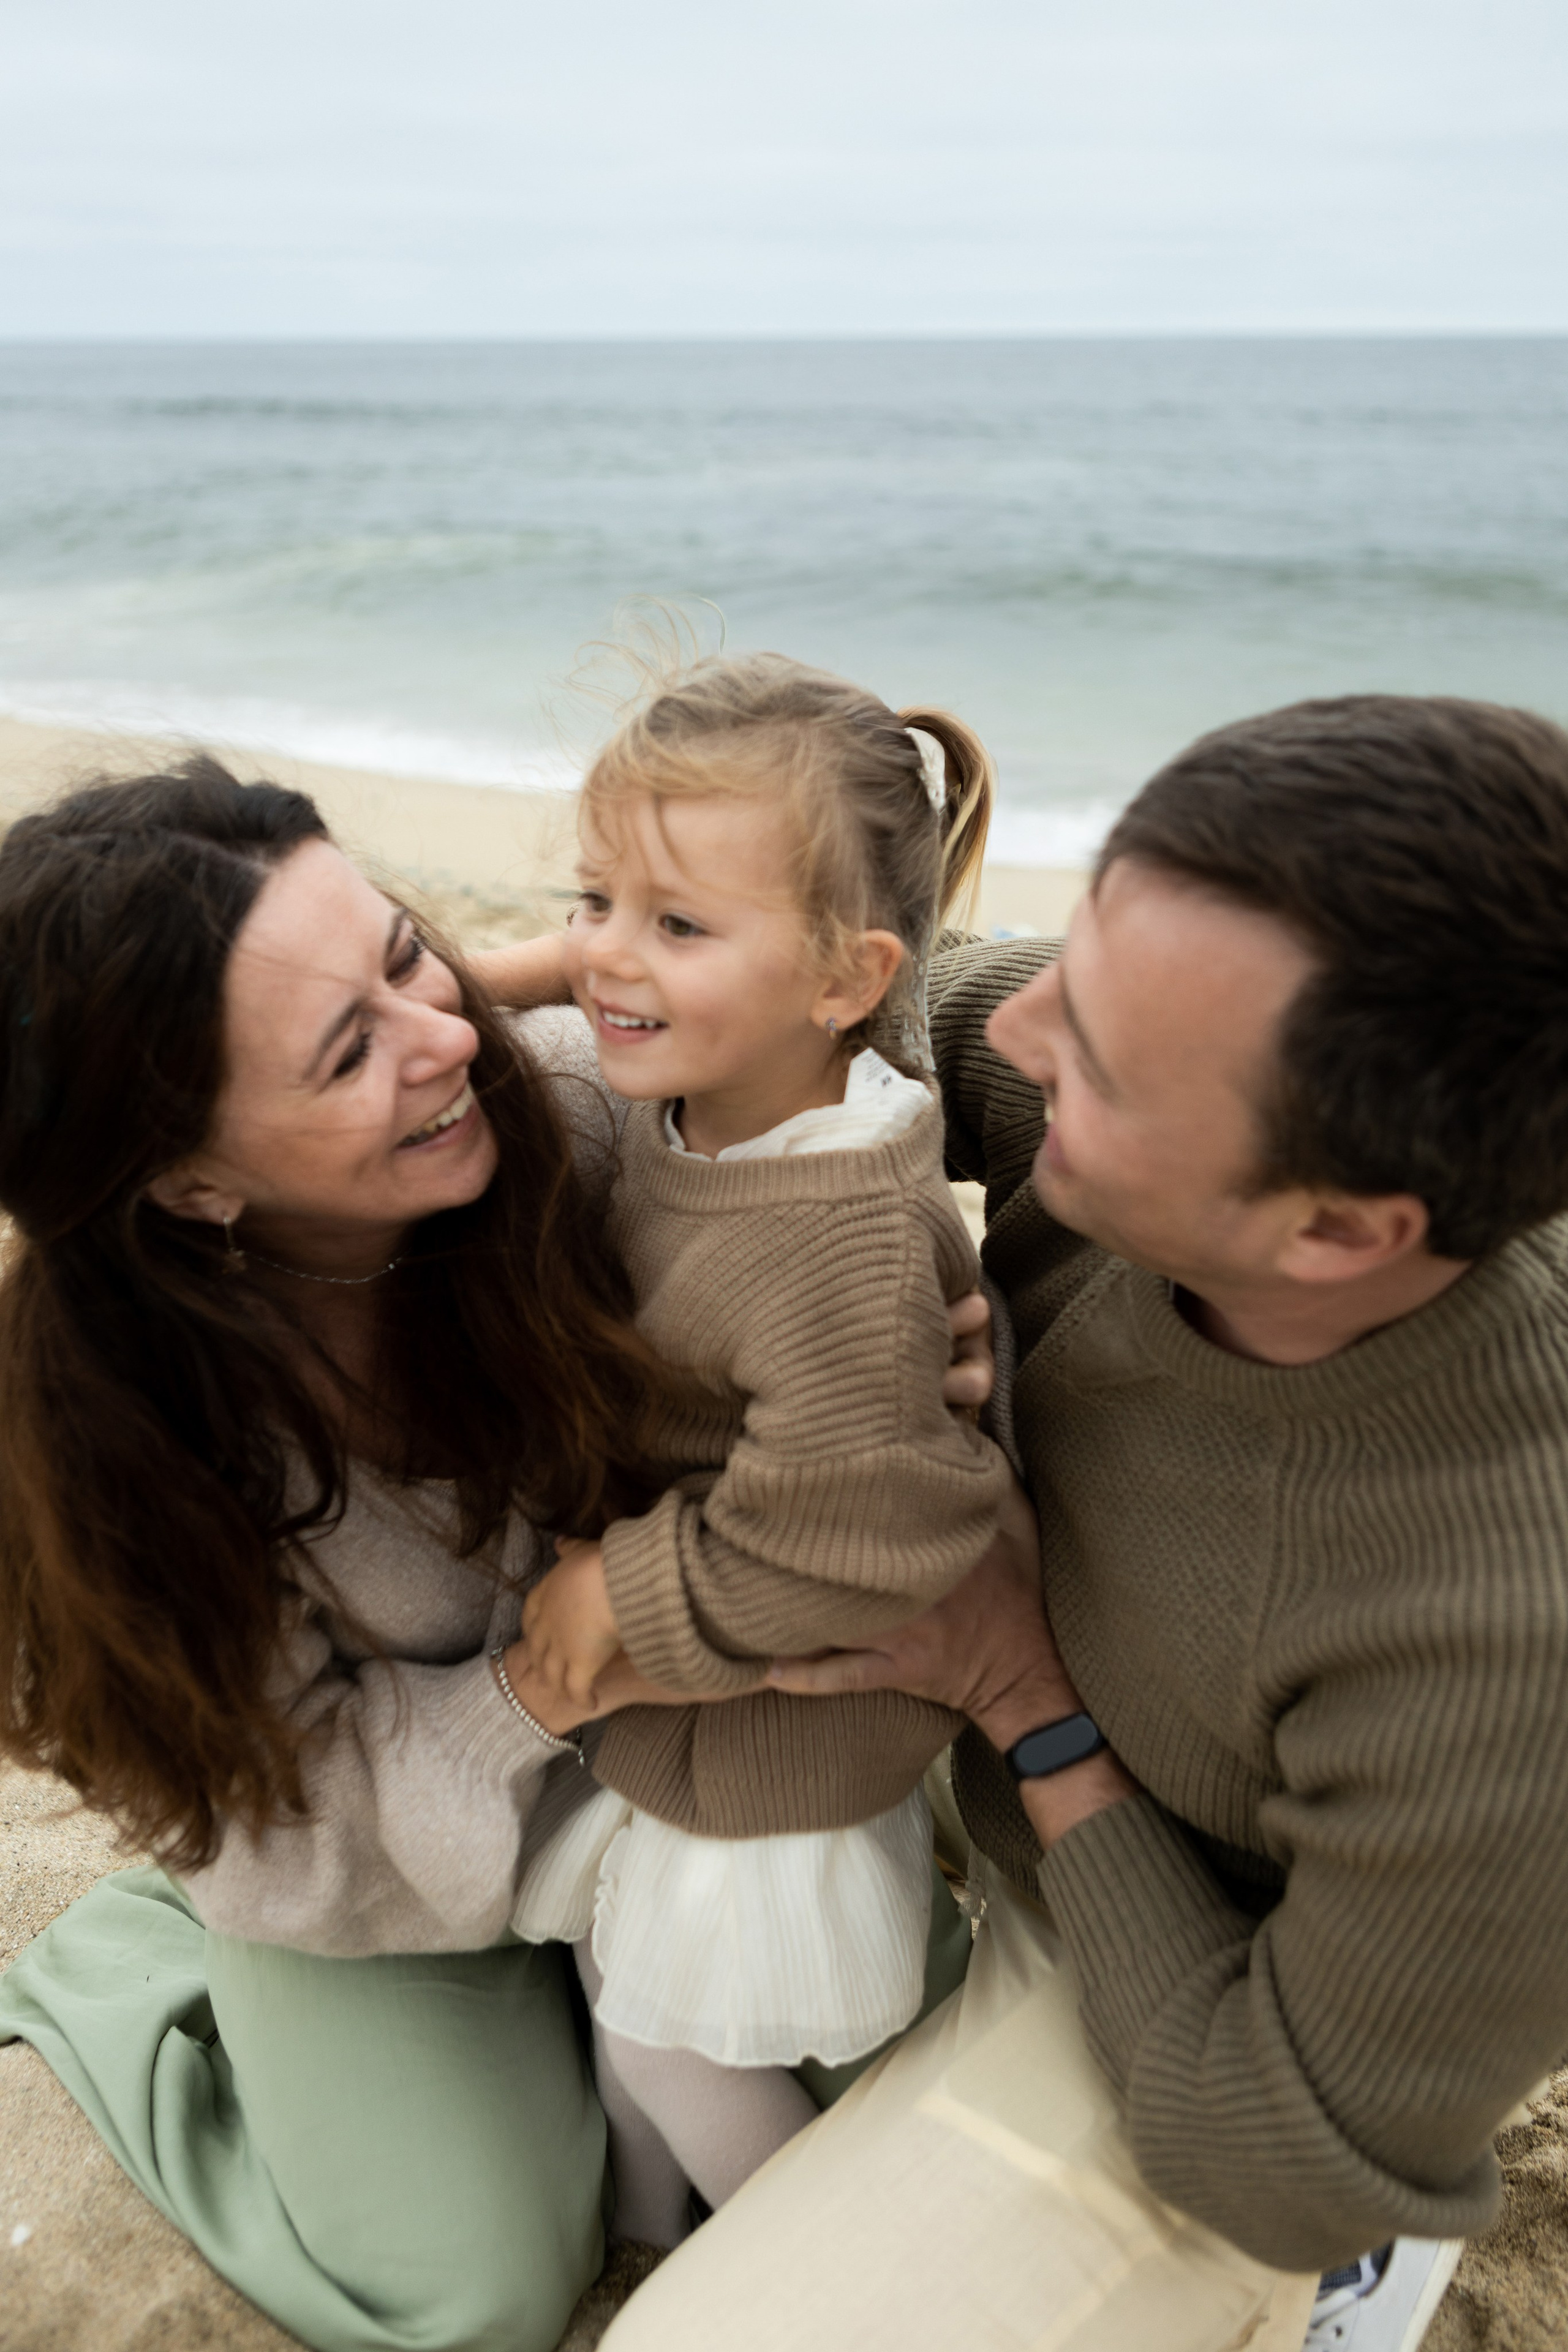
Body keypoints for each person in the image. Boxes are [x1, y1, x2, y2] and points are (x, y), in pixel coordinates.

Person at [600, 695, 1568, 2352]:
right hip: (987, 1741)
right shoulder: (1175, 1078)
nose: (1026, 1030)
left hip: (1195, 1977)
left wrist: (1025, 1697)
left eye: (1101, 1056)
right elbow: (904, 997)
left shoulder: (1502, 1645)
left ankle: (1334, 2306)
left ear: (1337, 1232)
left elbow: (1290, 2161)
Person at [0, 757, 982, 2352]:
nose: (447, 1038)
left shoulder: (599, 1113)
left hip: (702, 1749)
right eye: (349, 1050)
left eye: (410, 957)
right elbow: (282, 1830)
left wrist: (906, 1355)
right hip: (356, 1842)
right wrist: (547, 1684)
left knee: (893, 2061)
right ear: (192, 1180)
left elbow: (862, 1047)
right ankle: (137, 1970)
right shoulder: (119, 1445)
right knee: (474, 2291)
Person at [487, 654, 1012, 2243]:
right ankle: (646, 2243)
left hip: (781, 1720)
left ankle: (797, 2282)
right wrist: (518, 971)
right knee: (619, 1976)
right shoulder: (726, 1096)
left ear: (847, 979)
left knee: (675, 2035)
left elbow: (844, 1540)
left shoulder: (838, 1229)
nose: (605, 957)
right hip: (705, 1694)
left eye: (677, 925)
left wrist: (626, 1595)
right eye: (595, 900)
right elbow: (601, 969)